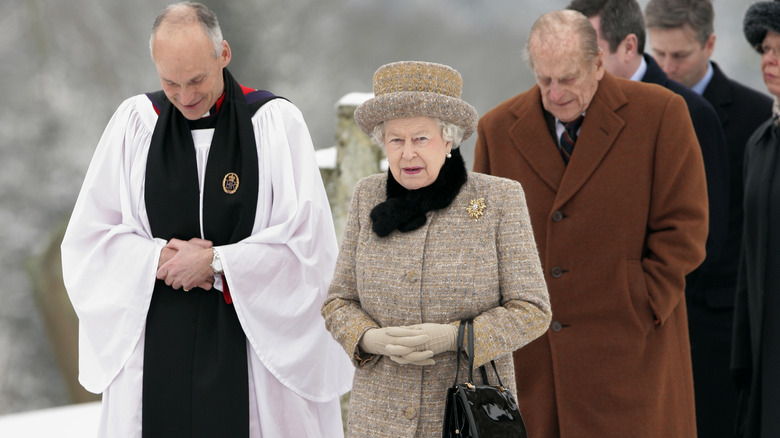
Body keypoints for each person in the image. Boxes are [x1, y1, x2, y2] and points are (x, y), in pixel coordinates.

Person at [60, 2, 353, 437]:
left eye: (196, 80)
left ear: (224, 54)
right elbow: (88, 241)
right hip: (155, 349)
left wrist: (218, 263)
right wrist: (157, 256)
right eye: (170, 82)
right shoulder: (135, 124)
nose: (185, 96)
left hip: (254, 358)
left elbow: (308, 249)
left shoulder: (273, 124)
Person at [475, 10, 708, 437]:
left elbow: (685, 226)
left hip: (632, 354)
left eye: (568, 78)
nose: (556, 93)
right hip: (536, 367)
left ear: (598, 64)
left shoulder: (661, 115)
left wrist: (643, 299)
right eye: (545, 80)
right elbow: (482, 234)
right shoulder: (496, 130)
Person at [321, 60, 552, 437]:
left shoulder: (498, 199)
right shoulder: (367, 195)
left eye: (420, 138)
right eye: (396, 139)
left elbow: (533, 310)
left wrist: (455, 337)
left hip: (467, 417)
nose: (407, 153)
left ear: (448, 140)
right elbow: (338, 302)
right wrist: (368, 338)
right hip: (378, 420)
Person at [567, 1, 734, 433]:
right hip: (579, 341)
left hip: (661, 332)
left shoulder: (687, 111)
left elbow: (703, 236)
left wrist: (640, 300)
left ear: (628, 46)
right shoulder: (565, 110)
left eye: (590, 49)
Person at [644, 1, 774, 435]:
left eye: (678, 56)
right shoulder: (638, 114)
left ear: (710, 45)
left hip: (724, 323)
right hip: (654, 317)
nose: (667, 66)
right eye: (657, 55)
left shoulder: (757, 117)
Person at [733, 3, 780, 436]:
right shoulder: (761, 143)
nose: (771, 59)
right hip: (765, 353)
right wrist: (742, 360)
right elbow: (750, 255)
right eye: (766, 48)